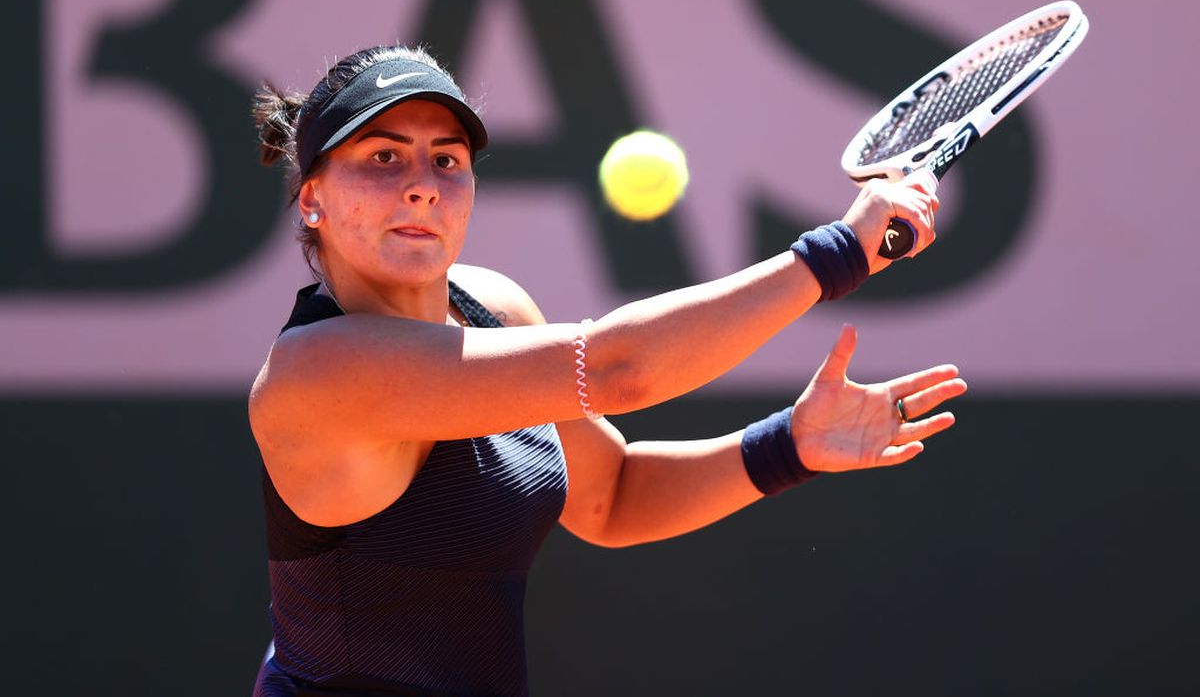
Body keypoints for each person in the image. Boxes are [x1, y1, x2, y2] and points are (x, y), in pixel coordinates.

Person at [249, 44, 965, 697]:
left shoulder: (492, 306)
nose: (422, 186)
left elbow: (612, 497)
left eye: (447, 159)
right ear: (312, 197)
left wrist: (788, 445)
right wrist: (837, 252)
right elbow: (621, 370)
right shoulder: (317, 371)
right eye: (383, 157)